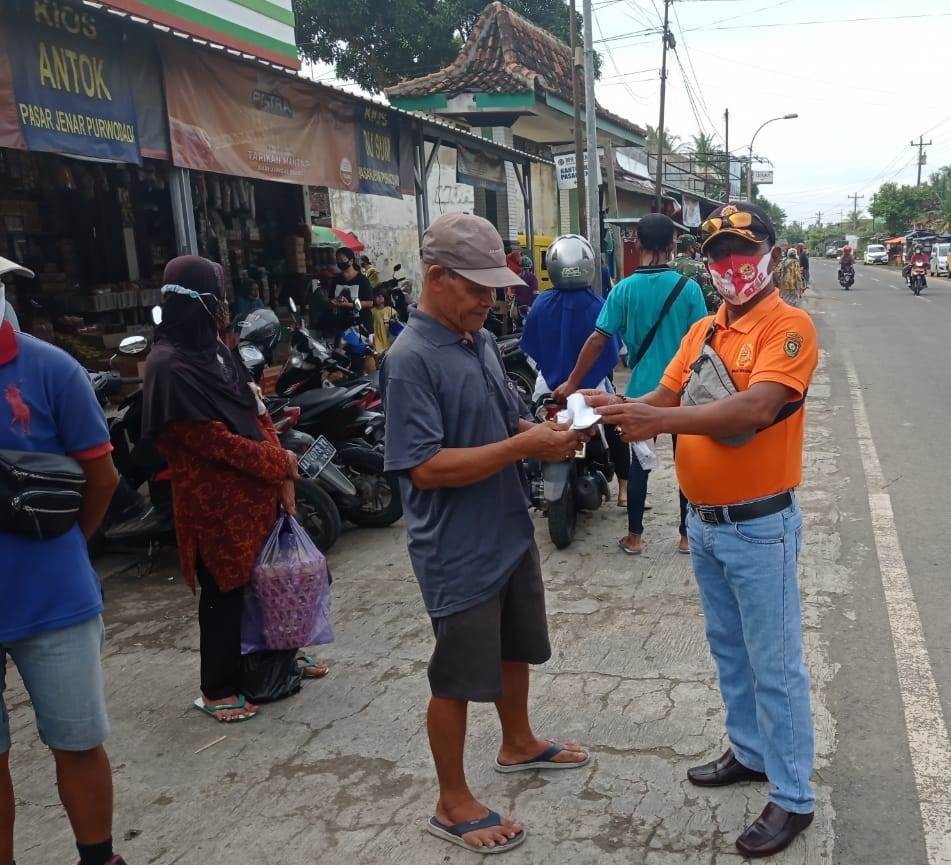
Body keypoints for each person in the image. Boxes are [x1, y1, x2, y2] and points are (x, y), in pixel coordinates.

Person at [587, 202, 818, 858]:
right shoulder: (703, 329)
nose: (727, 265)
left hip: (759, 525)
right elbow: (665, 394)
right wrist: (620, 405)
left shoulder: (788, 326)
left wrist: (653, 422)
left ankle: (793, 794)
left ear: (769, 250)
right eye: (716, 253)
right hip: (709, 527)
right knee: (729, 650)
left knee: (774, 663)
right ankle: (748, 752)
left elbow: (756, 405)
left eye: (740, 250)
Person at [381, 213, 591, 855]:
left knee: (515, 648)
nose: (490, 301)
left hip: (506, 530)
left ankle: (518, 741)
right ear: (436, 277)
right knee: (456, 676)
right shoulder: (411, 358)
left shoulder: (476, 343)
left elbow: (509, 424)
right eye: (477, 288)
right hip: (457, 546)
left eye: (496, 289)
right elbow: (424, 467)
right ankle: (451, 801)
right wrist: (521, 446)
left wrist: (550, 431)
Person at [142, 255, 326, 725]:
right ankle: (217, 688)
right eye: (217, 298)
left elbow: (255, 411)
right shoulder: (167, 365)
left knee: (273, 581)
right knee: (224, 593)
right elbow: (210, 441)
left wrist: (282, 473)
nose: (224, 307)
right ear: (196, 303)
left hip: (257, 495)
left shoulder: (217, 351)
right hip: (213, 506)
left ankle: (283, 655)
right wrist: (278, 461)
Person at [0, 255, 127, 865]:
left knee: (77, 742)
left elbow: (100, 478)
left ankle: (99, 858)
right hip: (52, 587)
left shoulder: (51, 369)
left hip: (55, 602)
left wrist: (63, 545)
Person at [554, 213, 707, 555]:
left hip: (640, 392)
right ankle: (685, 536)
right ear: (672, 246)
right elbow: (702, 343)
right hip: (684, 391)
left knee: (640, 462)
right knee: (689, 463)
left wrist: (571, 382)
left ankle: (635, 537)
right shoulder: (690, 289)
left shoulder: (623, 290)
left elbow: (598, 339)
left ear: (637, 242)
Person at [520, 234, 629, 506]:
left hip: (549, 388)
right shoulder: (600, 306)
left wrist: (551, 368)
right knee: (617, 426)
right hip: (592, 388)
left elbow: (531, 352)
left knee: (531, 422)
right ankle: (625, 490)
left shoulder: (540, 304)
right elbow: (616, 353)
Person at [671, 233, 718, 312]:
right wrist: (720, 306)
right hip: (693, 311)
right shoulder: (698, 266)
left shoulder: (668, 266)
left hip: (674, 311)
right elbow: (708, 292)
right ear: (690, 248)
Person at [332, 248, 374, 337]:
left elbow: (370, 303)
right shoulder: (336, 280)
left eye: (342, 260)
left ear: (350, 261)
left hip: (361, 326)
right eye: (337, 260)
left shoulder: (362, 280)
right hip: (342, 325)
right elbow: (331, 299)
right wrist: (335, 302)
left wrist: (349, 305)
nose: (339, 263)